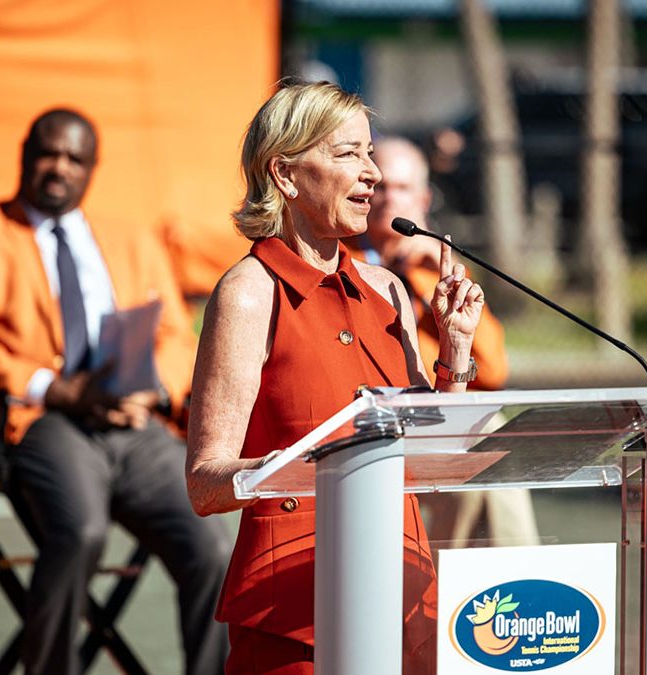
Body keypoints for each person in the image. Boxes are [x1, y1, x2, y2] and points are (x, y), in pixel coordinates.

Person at [185, 80, 485, 674]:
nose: (372, 173)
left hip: (405, 597)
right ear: (285, 174)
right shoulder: (249, 294)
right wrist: (307, 467)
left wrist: (455, 348)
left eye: (370, 153)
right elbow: (204, 484)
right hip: (297, 620)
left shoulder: (390, 290)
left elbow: (430, 456)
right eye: (348, 154)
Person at [0, 108, 231, 675]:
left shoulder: (131, 237)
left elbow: (174, 334)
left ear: (92, 168)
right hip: (37, 421)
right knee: (80, 534)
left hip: (132, 424)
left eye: (75, 158)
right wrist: (57, 390)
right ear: (25, 156)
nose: (60, 167)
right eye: (49, 153)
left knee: (213, 548)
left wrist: (150, 389)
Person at [351, 135, 539, 548]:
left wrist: (427, 280)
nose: (389, 198)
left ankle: (491, 577)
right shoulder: (343, 260)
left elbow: (492, 371)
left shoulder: (435, 266)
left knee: (494, 443)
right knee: (473, 470)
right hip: (370, 419)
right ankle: (452, 581)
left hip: (431, 415)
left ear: (423, 200)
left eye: (403, 188)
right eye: (381, 186)